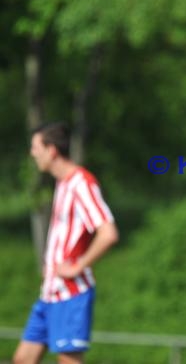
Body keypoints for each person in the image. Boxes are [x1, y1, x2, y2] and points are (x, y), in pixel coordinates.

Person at [13, 122, 119, 364]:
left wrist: (76, 266)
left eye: (35, 147)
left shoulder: (82, 183)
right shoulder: (62, 183)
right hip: (50, 293)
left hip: (71, 294)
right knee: (22, 359)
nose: (32, 153)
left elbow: (108, 232)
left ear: (51, 150)